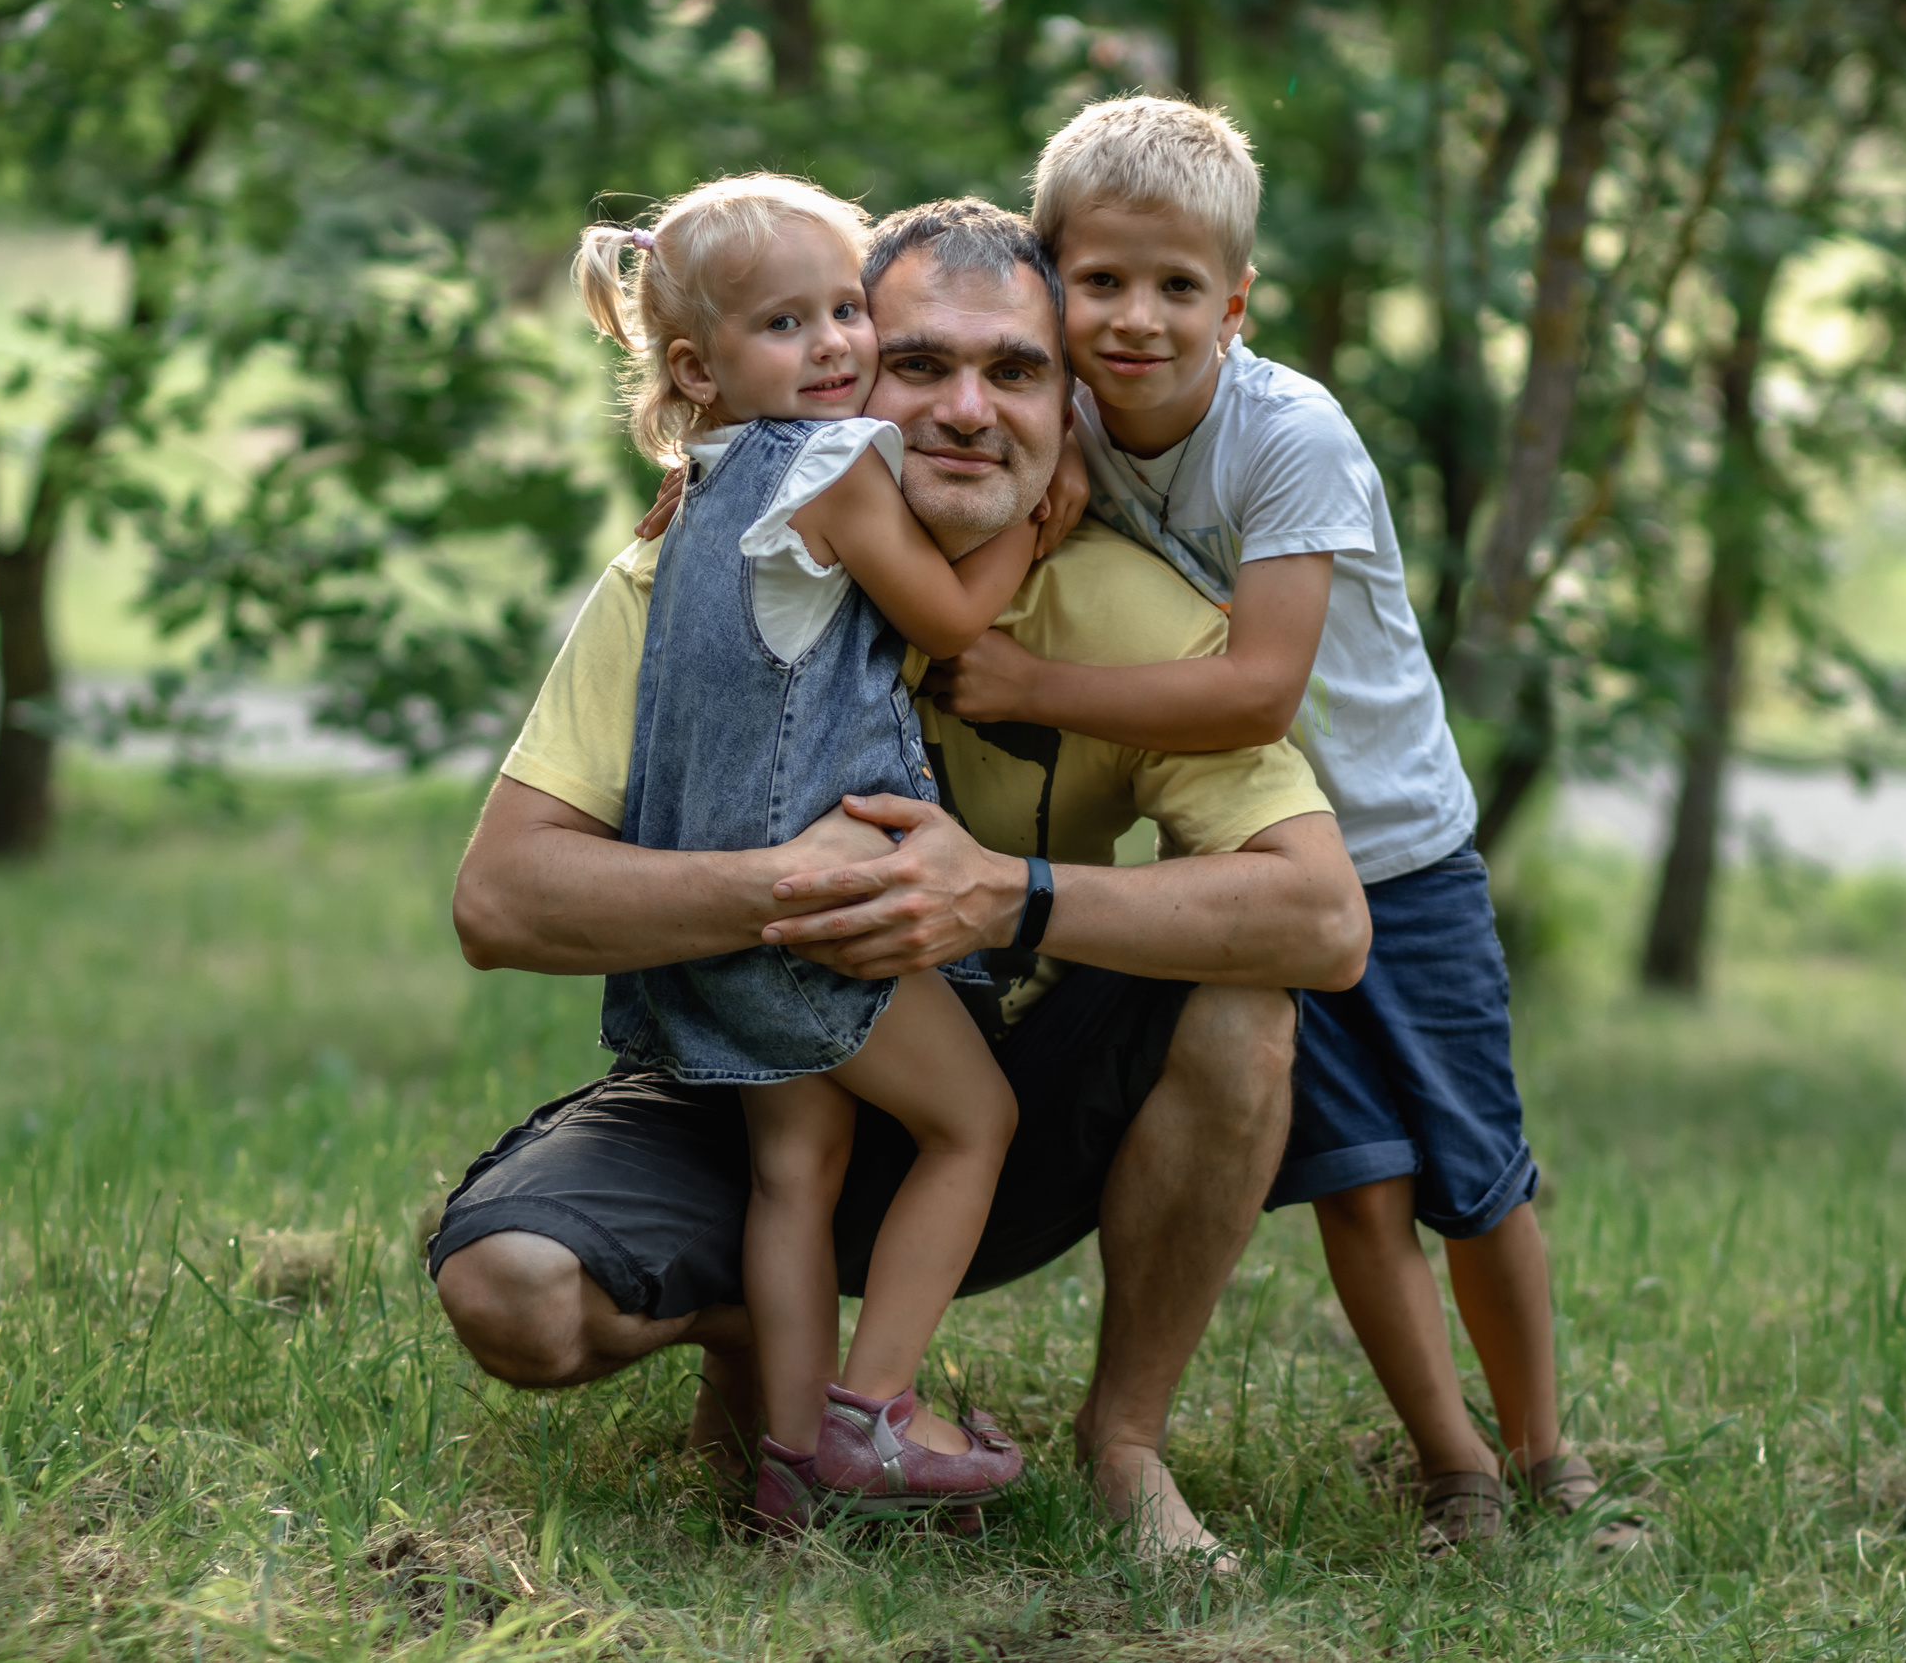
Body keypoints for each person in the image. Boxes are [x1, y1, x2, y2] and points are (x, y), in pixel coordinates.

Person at [430, 197, 1371, 1564]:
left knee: (1243, 1005)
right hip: (740, 1057)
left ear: (1072, 405)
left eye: (1017, 371)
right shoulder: (681, 568)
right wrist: (791, 888)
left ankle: (1124, 1446)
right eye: (918, 364)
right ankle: (777, 1385)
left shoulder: (1118, 606)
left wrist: (1006, 894)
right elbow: (500, 902)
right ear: (850, 376)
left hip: (1005, 1078)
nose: (968, 412)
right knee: (517, 1292)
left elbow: (1323, 918)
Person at [931, 95, 1597, 1550]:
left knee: (1469, 1179)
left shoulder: (1289, 435)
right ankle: (1456, 1473)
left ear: (1235, 302)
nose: (1136, 319)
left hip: (1396, 856)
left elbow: (1256, 690)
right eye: (1099, 281)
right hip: (1244, 865)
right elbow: (883, 352)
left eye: (1179, 289)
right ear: (1049, 278)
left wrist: (1030, 680)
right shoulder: (1062, 417)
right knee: (1354, 1186)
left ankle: (1553, 1459)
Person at [568, 173, 1035, 1526]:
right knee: (975, 1120)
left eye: (846, 310)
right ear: (701, 368)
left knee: (796, 1172)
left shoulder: (698, 486)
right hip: (814, 906)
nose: (835, 345)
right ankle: (871, 1409)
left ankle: (784, 1473)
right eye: (789, 325)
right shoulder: (832, 469)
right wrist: (1039, 512)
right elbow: (948, 619)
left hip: (713, 926)